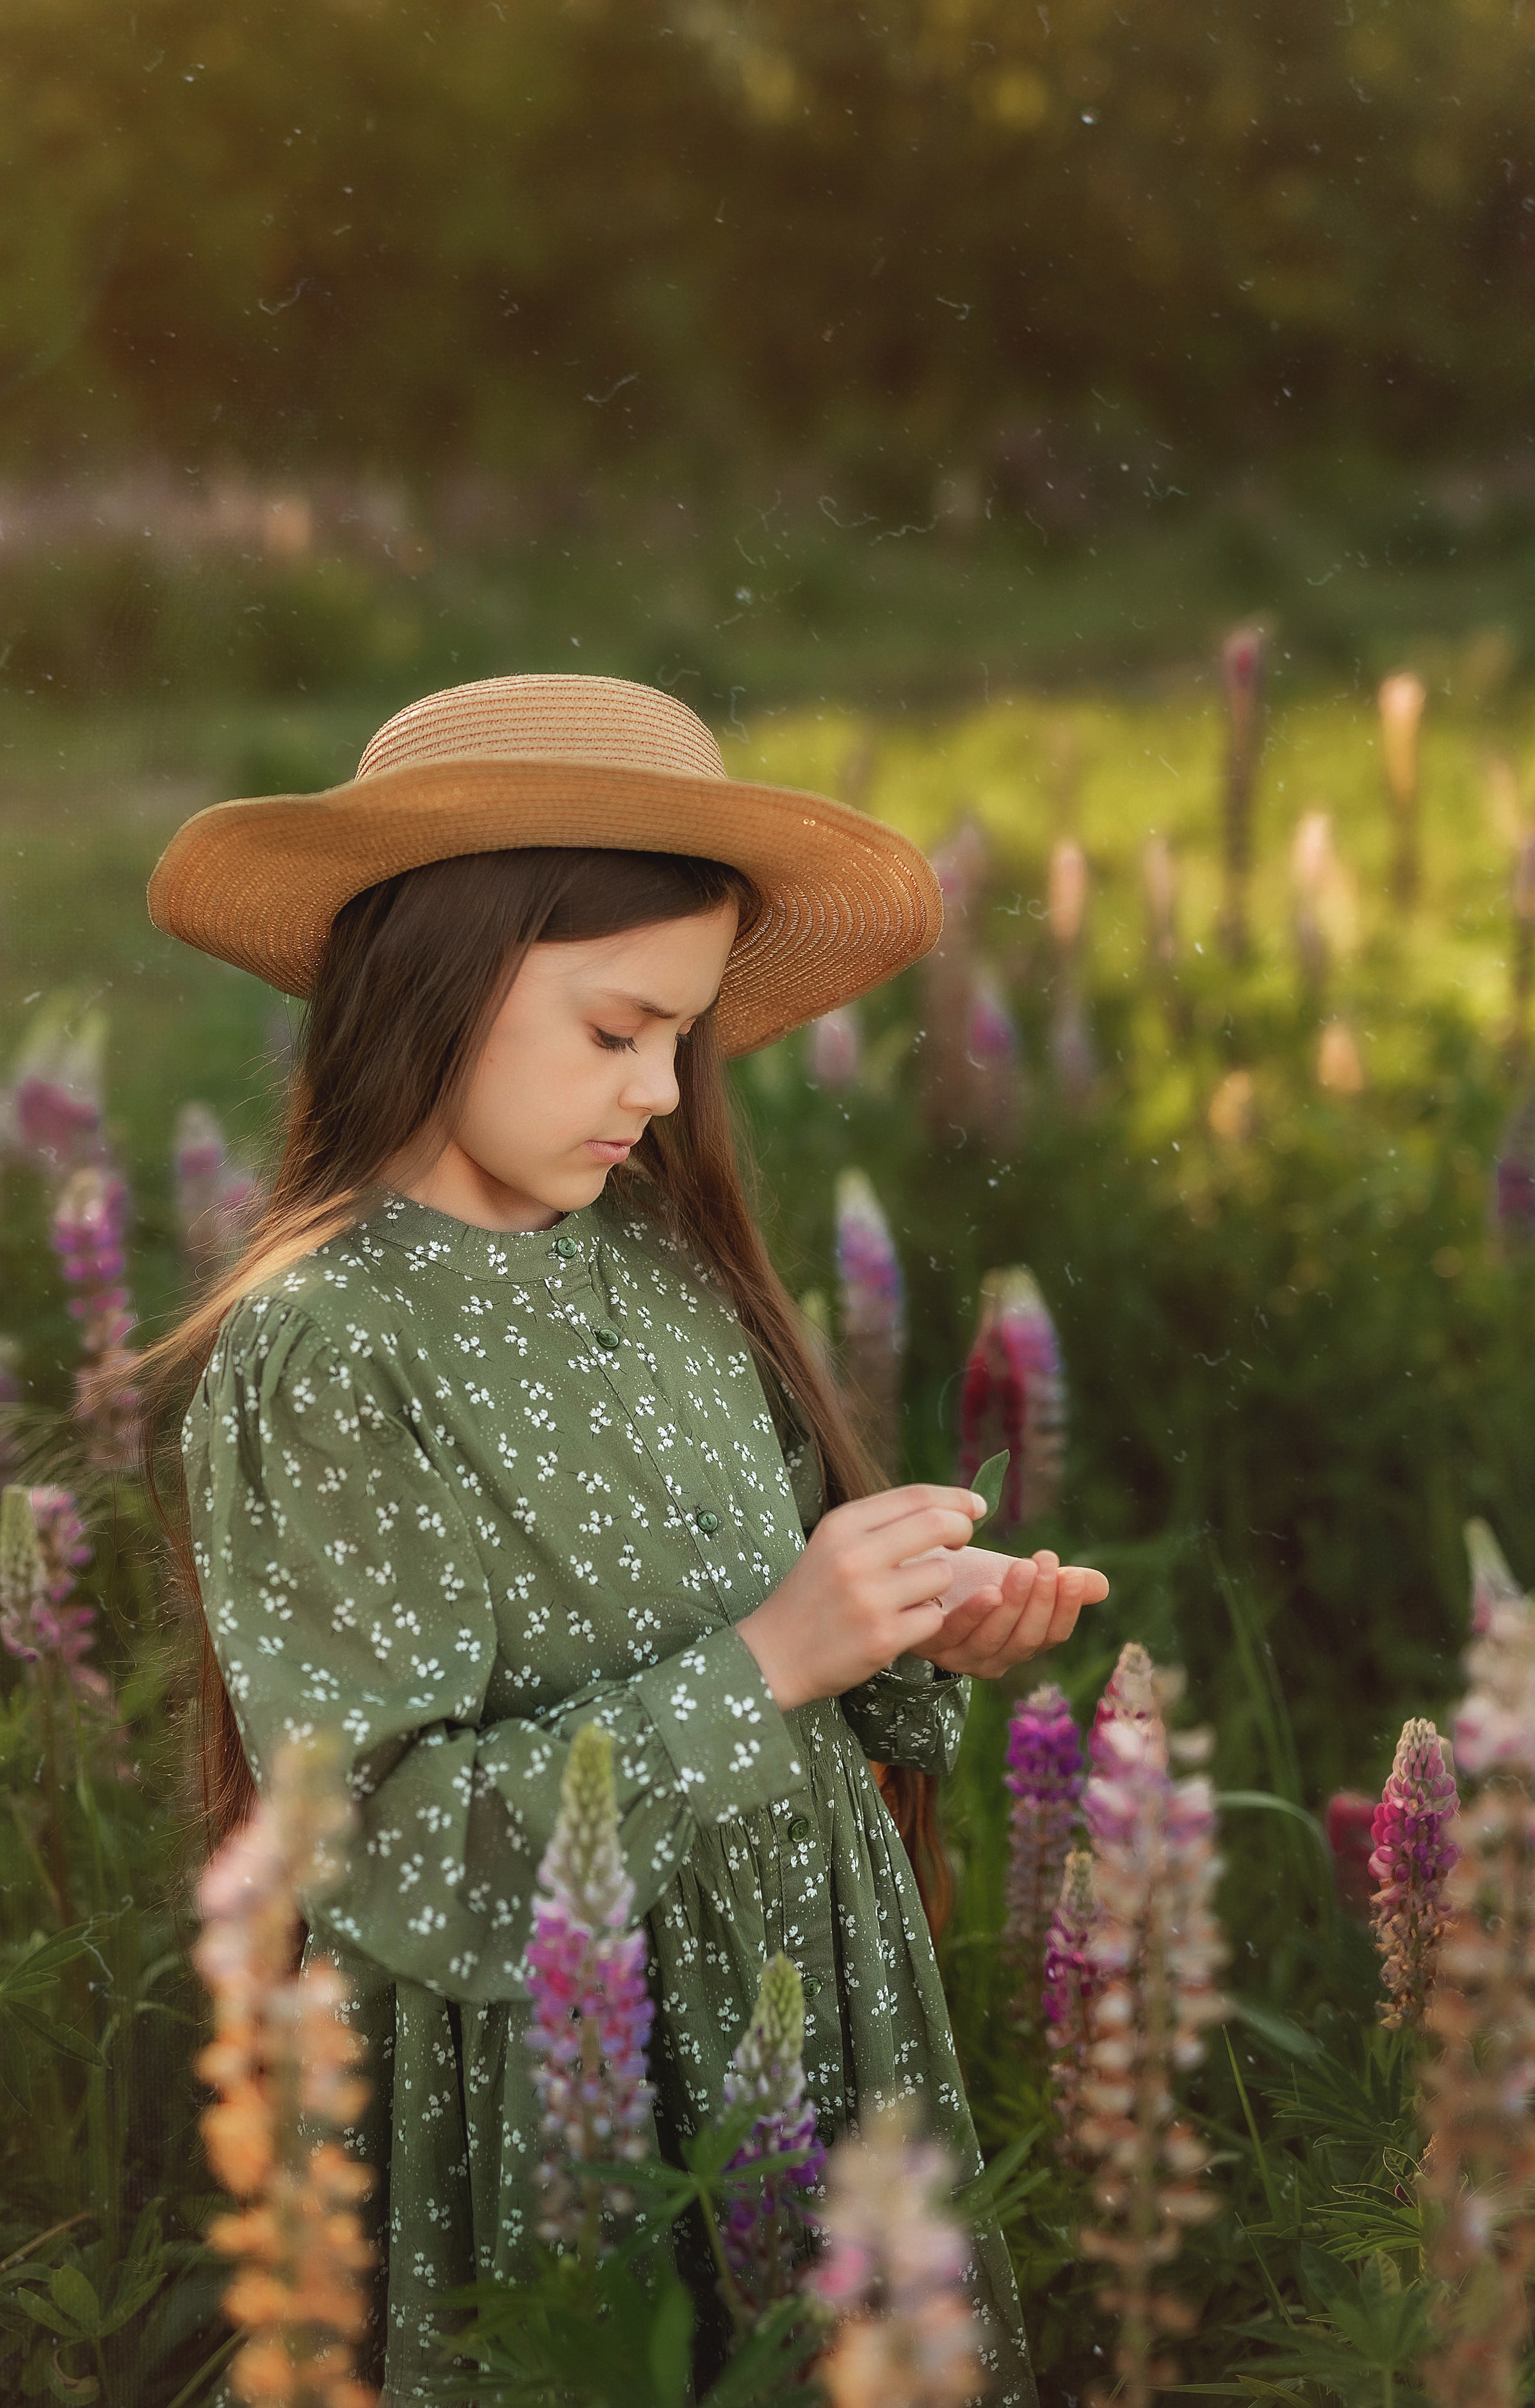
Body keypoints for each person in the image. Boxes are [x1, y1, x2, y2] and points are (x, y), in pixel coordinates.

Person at [143, 673, 1109, 2404]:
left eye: (685, 1037)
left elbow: (767, 1617)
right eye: (615, 1030)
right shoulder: (331, 1347)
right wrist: (771, 1659)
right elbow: (386, 1848)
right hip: (555, 2110)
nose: (662, 1087)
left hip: (800, 2037)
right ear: (437, 989)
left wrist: (904, 1624)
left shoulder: (659, 1264)